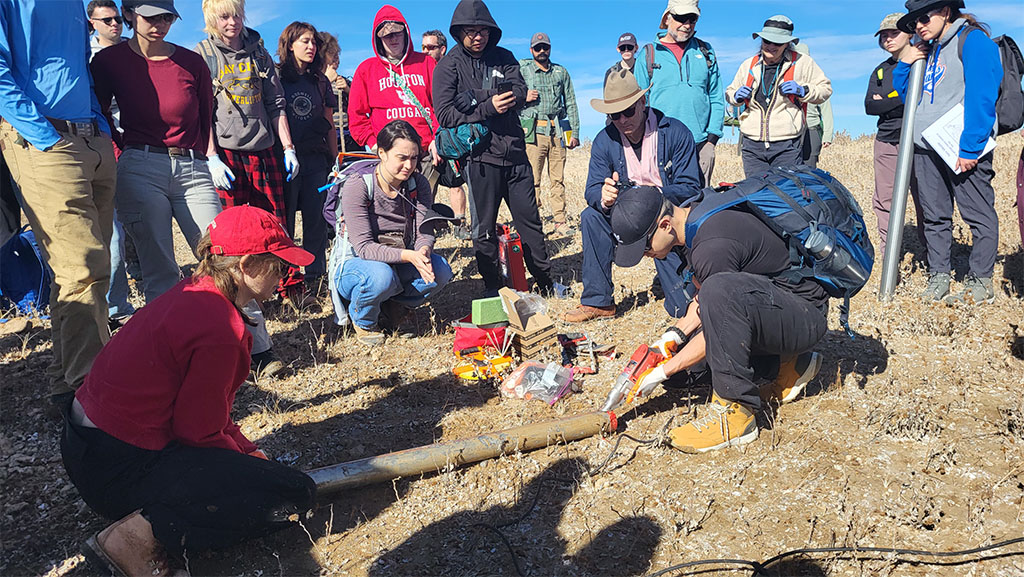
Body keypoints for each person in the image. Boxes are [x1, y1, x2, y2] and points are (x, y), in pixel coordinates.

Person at [61, 206, 317, 577]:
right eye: (277, 263)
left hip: (88, 446)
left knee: (262, 476)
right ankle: (138, 537)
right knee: (294, 495)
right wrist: (250, 470)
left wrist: (248, 452)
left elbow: (208, 419)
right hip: (117, 466)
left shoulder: (194, 290)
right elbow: (199, 433)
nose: (283, 274)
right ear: (246, 264)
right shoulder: (220, 328)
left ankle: (146, 521)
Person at [609, 186, 826, 453]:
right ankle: (790, 366)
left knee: (714, 301)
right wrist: (672, 338)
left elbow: (720, 311)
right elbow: (703, 300)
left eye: (644, 246)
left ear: (665, 225)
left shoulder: (711, 246)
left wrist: (665, 370)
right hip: (782, 306)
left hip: (804, 315)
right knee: (685, 375)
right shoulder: (696, 216)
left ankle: (735, 414)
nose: (644, 255)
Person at [0, 0, 117, 410]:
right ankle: (96, 399)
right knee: (84, 268)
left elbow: (77, 63)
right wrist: (41, 134)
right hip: (44, 139)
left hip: (90, 136)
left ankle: (66, 387)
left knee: (79, 272)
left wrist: (99, 125)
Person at [92, 0, 223, 305]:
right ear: (128, 15)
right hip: (140, 166)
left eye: (166, 17)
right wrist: (121, 154)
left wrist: (205, 156)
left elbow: (205, 116)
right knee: (159, 269)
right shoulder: (108, 62)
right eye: (150, 17)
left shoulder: (192, 63)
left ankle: (254, 346)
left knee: (220, 256)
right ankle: (166, 347)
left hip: (192, 168)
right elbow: (99, 113)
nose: (159, 25)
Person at [197, 0, 297, 374]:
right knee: (234, 236)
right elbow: (202, 109)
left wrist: (287, 147)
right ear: (212, 19)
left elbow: (276, 103)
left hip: (265, 148)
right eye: (224, 16)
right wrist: (210, 156)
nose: (232, 22)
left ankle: (281, 286)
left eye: (237, 14)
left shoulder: (259, 53)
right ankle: (241, 299)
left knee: (274, 226)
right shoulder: (204, 54)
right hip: (227, 153)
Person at [433, 0, 555, 296]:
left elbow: (520, 90)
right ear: (459, 31)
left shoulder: (504, 56)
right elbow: (446, 114)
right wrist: (487, 105)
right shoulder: (448, 66)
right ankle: (493, 287)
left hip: (515, 154)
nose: (478, 36)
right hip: (479, 159)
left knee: (531, 224)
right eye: (471, 31)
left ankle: (546, 281)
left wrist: (475, 97)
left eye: (483, 31)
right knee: (483, 230)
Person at [564, 68, 702, 323]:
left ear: (642, 102)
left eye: (628, 111)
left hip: (664, 220)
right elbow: (591, 189)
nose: (623, 119)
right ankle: (598, 301)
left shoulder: (675, 132)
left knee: (682, 308)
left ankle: (690, 288)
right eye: (615, 115)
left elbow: (692, 186)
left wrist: (651, 196)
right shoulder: (604, 141)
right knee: (591, 216)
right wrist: (602, 196)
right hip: (625, 215)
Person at [894, 0, 1002, 304]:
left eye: (924, 17)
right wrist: (906, 64)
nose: (918, 25)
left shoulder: (973, 41)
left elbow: (983, 96)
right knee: (935, 218)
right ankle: (938, 276)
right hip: (926, 149)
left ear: (945, 12)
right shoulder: (926, 50)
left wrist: (971, 147)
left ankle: (981, 281)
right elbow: (907, 97)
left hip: (961, 149)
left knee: (978, 215)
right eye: (914, 21)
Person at [328, 120, 454, 345]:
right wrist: (410, 257)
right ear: (382, 153)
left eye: (414, 158)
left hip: (398, 257)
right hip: (357, 264)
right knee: (380, 277)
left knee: (441, 270)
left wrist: (423, 250)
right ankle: (364, 320)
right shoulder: (359, 185)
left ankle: (392, 309)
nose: (409, 165)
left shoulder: (418, 184)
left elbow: (424, 229)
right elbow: (364, 248)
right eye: (402, 158)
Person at [725, 15, 832, 177]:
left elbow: (825, 89)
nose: (771, 46)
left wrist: (804, 91)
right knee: (756, 194)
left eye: (778, 43)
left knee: (785, 194)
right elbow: (730, 92)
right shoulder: (749, 65)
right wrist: (736, 97)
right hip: (752, 146)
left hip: (787, 145)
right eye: (766, 41)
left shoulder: (803, 63)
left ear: (788, 44)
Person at [633, 0, 723, 187]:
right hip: (660, 145)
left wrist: (711, 142)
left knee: (699, 206)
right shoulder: (648, 54)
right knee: (663, 207)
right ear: (667, 19)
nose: (687, 25)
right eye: (681, 18)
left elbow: (716, 97)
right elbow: (639, 102)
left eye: (692, 19)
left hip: (700, 144)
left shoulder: (706, 51)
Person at [348, 5, 440, 188]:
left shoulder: (426, 63)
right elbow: (356, 116)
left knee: (423, 208)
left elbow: (440, 105)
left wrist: (438, 138)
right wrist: (374, 144)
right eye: (386, 35)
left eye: (397, 33)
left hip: (424, 153)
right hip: (388, 155)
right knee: (391, 210)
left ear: (405, 32)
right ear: (378, 38)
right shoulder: (366, 70)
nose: (393, 39)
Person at [276, 22, 338, 286]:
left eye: (313, 42)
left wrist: (336, 161)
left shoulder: (320, 81)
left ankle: (315, 276)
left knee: (316, 220)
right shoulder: (277, 77)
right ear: (290, 45)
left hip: (315, 158)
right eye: (304, 41)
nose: (311, 47)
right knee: (284, 223)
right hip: (286, 160)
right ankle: (287, 279)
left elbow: (330, 124)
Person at [87, 0, 136, 326]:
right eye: (107, 20)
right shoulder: (86, 59)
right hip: (102, 148)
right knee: (112, 234)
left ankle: (146, 290)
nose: (115, 24)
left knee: (138, 228)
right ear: (92, 22)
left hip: (135, 146)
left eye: (119, 18)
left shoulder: (135, 54)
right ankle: (116, 308)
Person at [865, 12, 926, 258]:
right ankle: (889, 253)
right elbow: (870, 106)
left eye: (894, 33)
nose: (888, 39)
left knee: (926, 198)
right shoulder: (881, 71)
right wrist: (896, 98)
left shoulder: (924, 60)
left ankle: (932, 254)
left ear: (909, 33)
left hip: (919, 140)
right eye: (884, 36)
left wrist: (888, 98)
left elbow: (917, 97)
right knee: (884, 200)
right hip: (887, 140)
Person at [520, 32, 580, 236]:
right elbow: (509, 90)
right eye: (537, 48)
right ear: (531, 50)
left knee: (558, 180)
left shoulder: (560, 72)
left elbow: (570, 103)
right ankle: (534, 224)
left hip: (558, 132)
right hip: (534, 133)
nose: (542, 51)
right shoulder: (523, 69)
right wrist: (523, 96)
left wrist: (573, 134)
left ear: (550, 49)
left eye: (545, 47)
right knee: (532, 179)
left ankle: (560, 221)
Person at [422, 28, 471, 240]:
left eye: (430, 47)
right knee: (425, 186)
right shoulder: (421, 72)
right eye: (423, 47)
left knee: (455, 181)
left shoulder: (454, 70)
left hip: (451, 136)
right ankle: (426, 225)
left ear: (442, 48)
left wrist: (445, 137)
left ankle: (460, 224)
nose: (425, 51)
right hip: (427, 138)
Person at [792, 43, 833, 169]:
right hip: (792, 131)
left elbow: (826, 112)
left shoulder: (817, 85)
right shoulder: (787, 82)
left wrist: (827, 135)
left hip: (811, 129)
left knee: (809, 164)